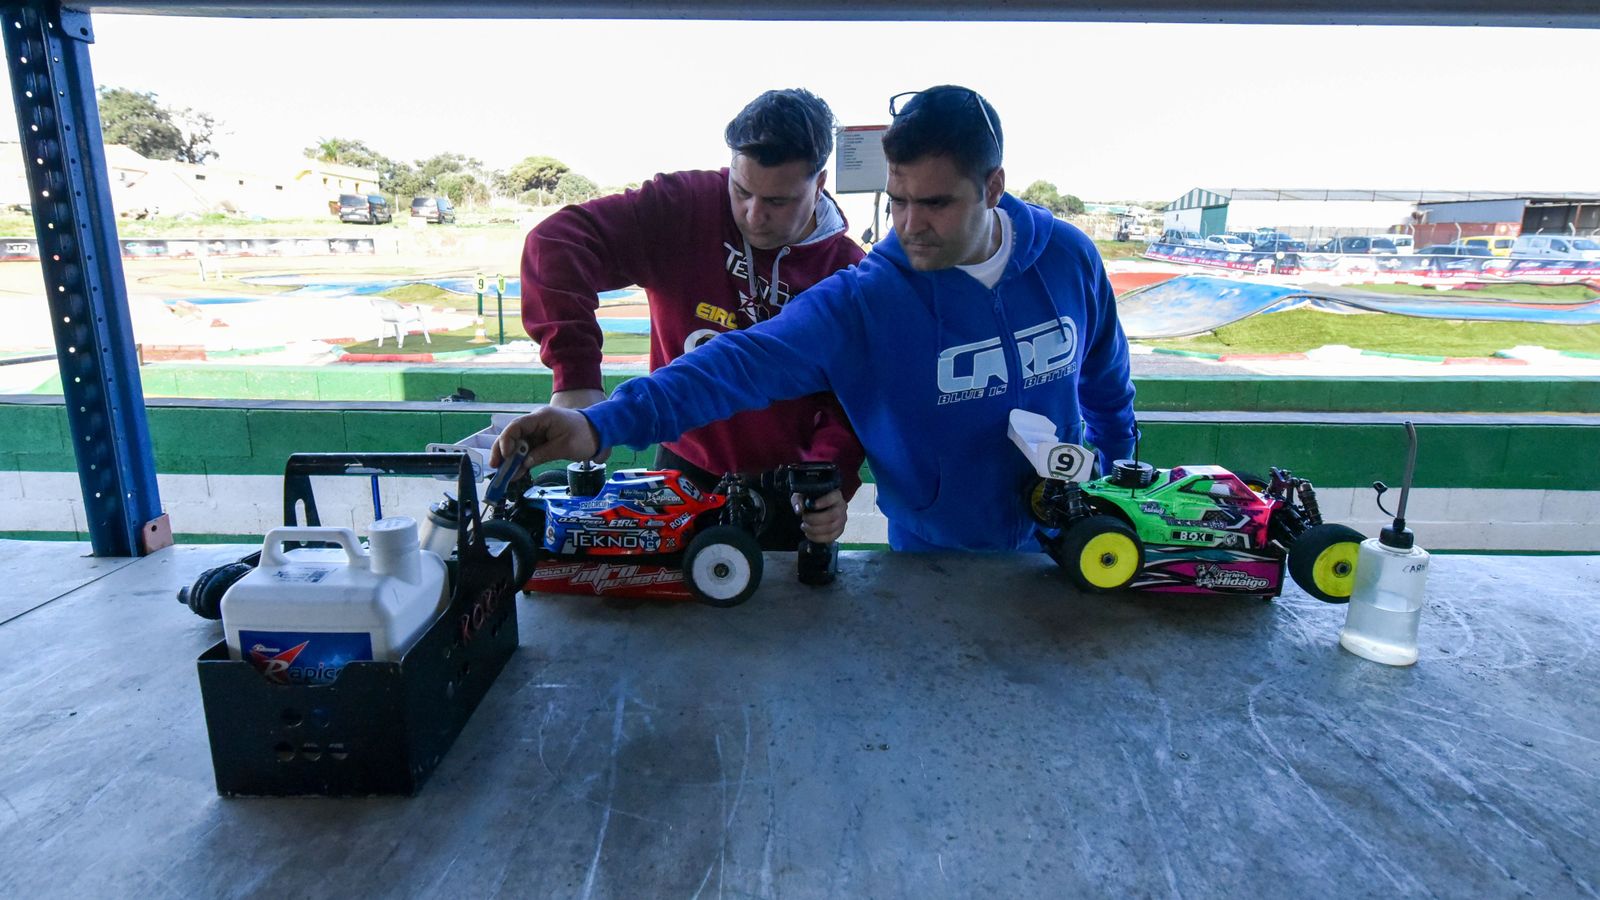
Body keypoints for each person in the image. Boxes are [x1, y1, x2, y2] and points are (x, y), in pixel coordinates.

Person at [497, 85, 1137, 553]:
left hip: (1070, 538)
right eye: (898, 200)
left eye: (936, 203)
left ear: (993, 187)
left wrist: (1116, 484)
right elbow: (736, 365)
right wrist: (595, 422)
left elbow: (1107, 387)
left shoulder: (1070, 256)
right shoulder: (864, 296)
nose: (910, 226)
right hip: (934, 561)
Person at [519, 88, 865, 547]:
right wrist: (576, 376)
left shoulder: (846, 271)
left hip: (791, 491)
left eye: (778, 202)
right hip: (679, 468)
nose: (753, 215)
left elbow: (850, 399)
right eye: (741, 191)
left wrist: (832, 477)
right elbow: (555, 244)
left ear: (819, 185)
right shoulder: (685, 207)